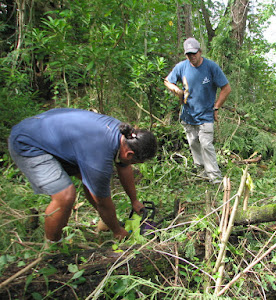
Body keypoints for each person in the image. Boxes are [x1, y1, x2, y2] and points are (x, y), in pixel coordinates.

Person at [8, 108, 157, 243]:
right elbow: (102, 201)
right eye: (136, 162)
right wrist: (118, 231)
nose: (132, 165)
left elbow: (124, 167)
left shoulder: (125, 136)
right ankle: (52, 247)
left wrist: (134, 200)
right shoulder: (99, 155)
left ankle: (106, 222)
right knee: (65, 196)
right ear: (129, 154)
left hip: (53, 137)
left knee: (91, 183)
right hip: (28, 143)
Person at [164, 37, 231, 184]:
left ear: (200, 51)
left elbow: (226, 88)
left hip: (206, 114)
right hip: (188, 115)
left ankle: (215, 178)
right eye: (189, 54)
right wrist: (176, 90)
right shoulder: (181, 67)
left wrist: (217, 106)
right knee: (194, 143)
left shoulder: (211, 67)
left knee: (206, 144)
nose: (192, 57)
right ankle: (201, 173)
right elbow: (167, 81)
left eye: (194, 53)